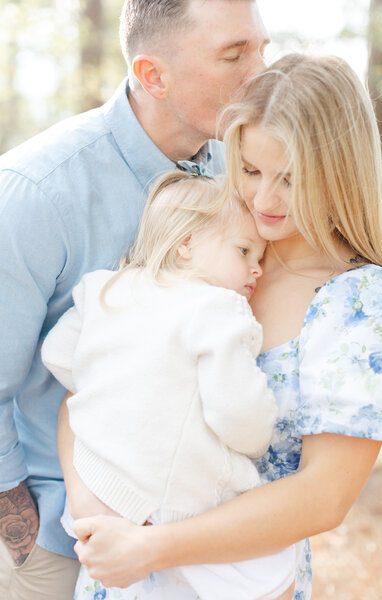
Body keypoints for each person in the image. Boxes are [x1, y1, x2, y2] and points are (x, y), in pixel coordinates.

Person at [70, 53, 382, 599]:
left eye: (291, 180)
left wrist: (152, 546)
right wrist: (99, 521)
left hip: (240, 580)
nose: (265, 200)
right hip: (121, 567)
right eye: (249, 170)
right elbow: (84, 385)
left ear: (339, 174)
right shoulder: (207, 244)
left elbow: (324, 496)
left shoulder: (363, 301)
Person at [0, 1, 267, 598]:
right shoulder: (34, 195)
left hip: (209, 551)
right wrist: (23, 531)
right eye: (234, 55)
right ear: (152, 75)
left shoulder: (246, 177)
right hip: (66, 544)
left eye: (261, 50)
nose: (261, 74)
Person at [42, 170, 296, 600]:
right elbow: (240, 419)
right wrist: (261, 434)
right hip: (180, 506)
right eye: (244, 250)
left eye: (260, 256)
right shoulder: (219, 309)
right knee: (276, 571)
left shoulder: (106, 287)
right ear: (186, 245)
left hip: (99, 487)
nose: (256, 267)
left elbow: (58, 356)